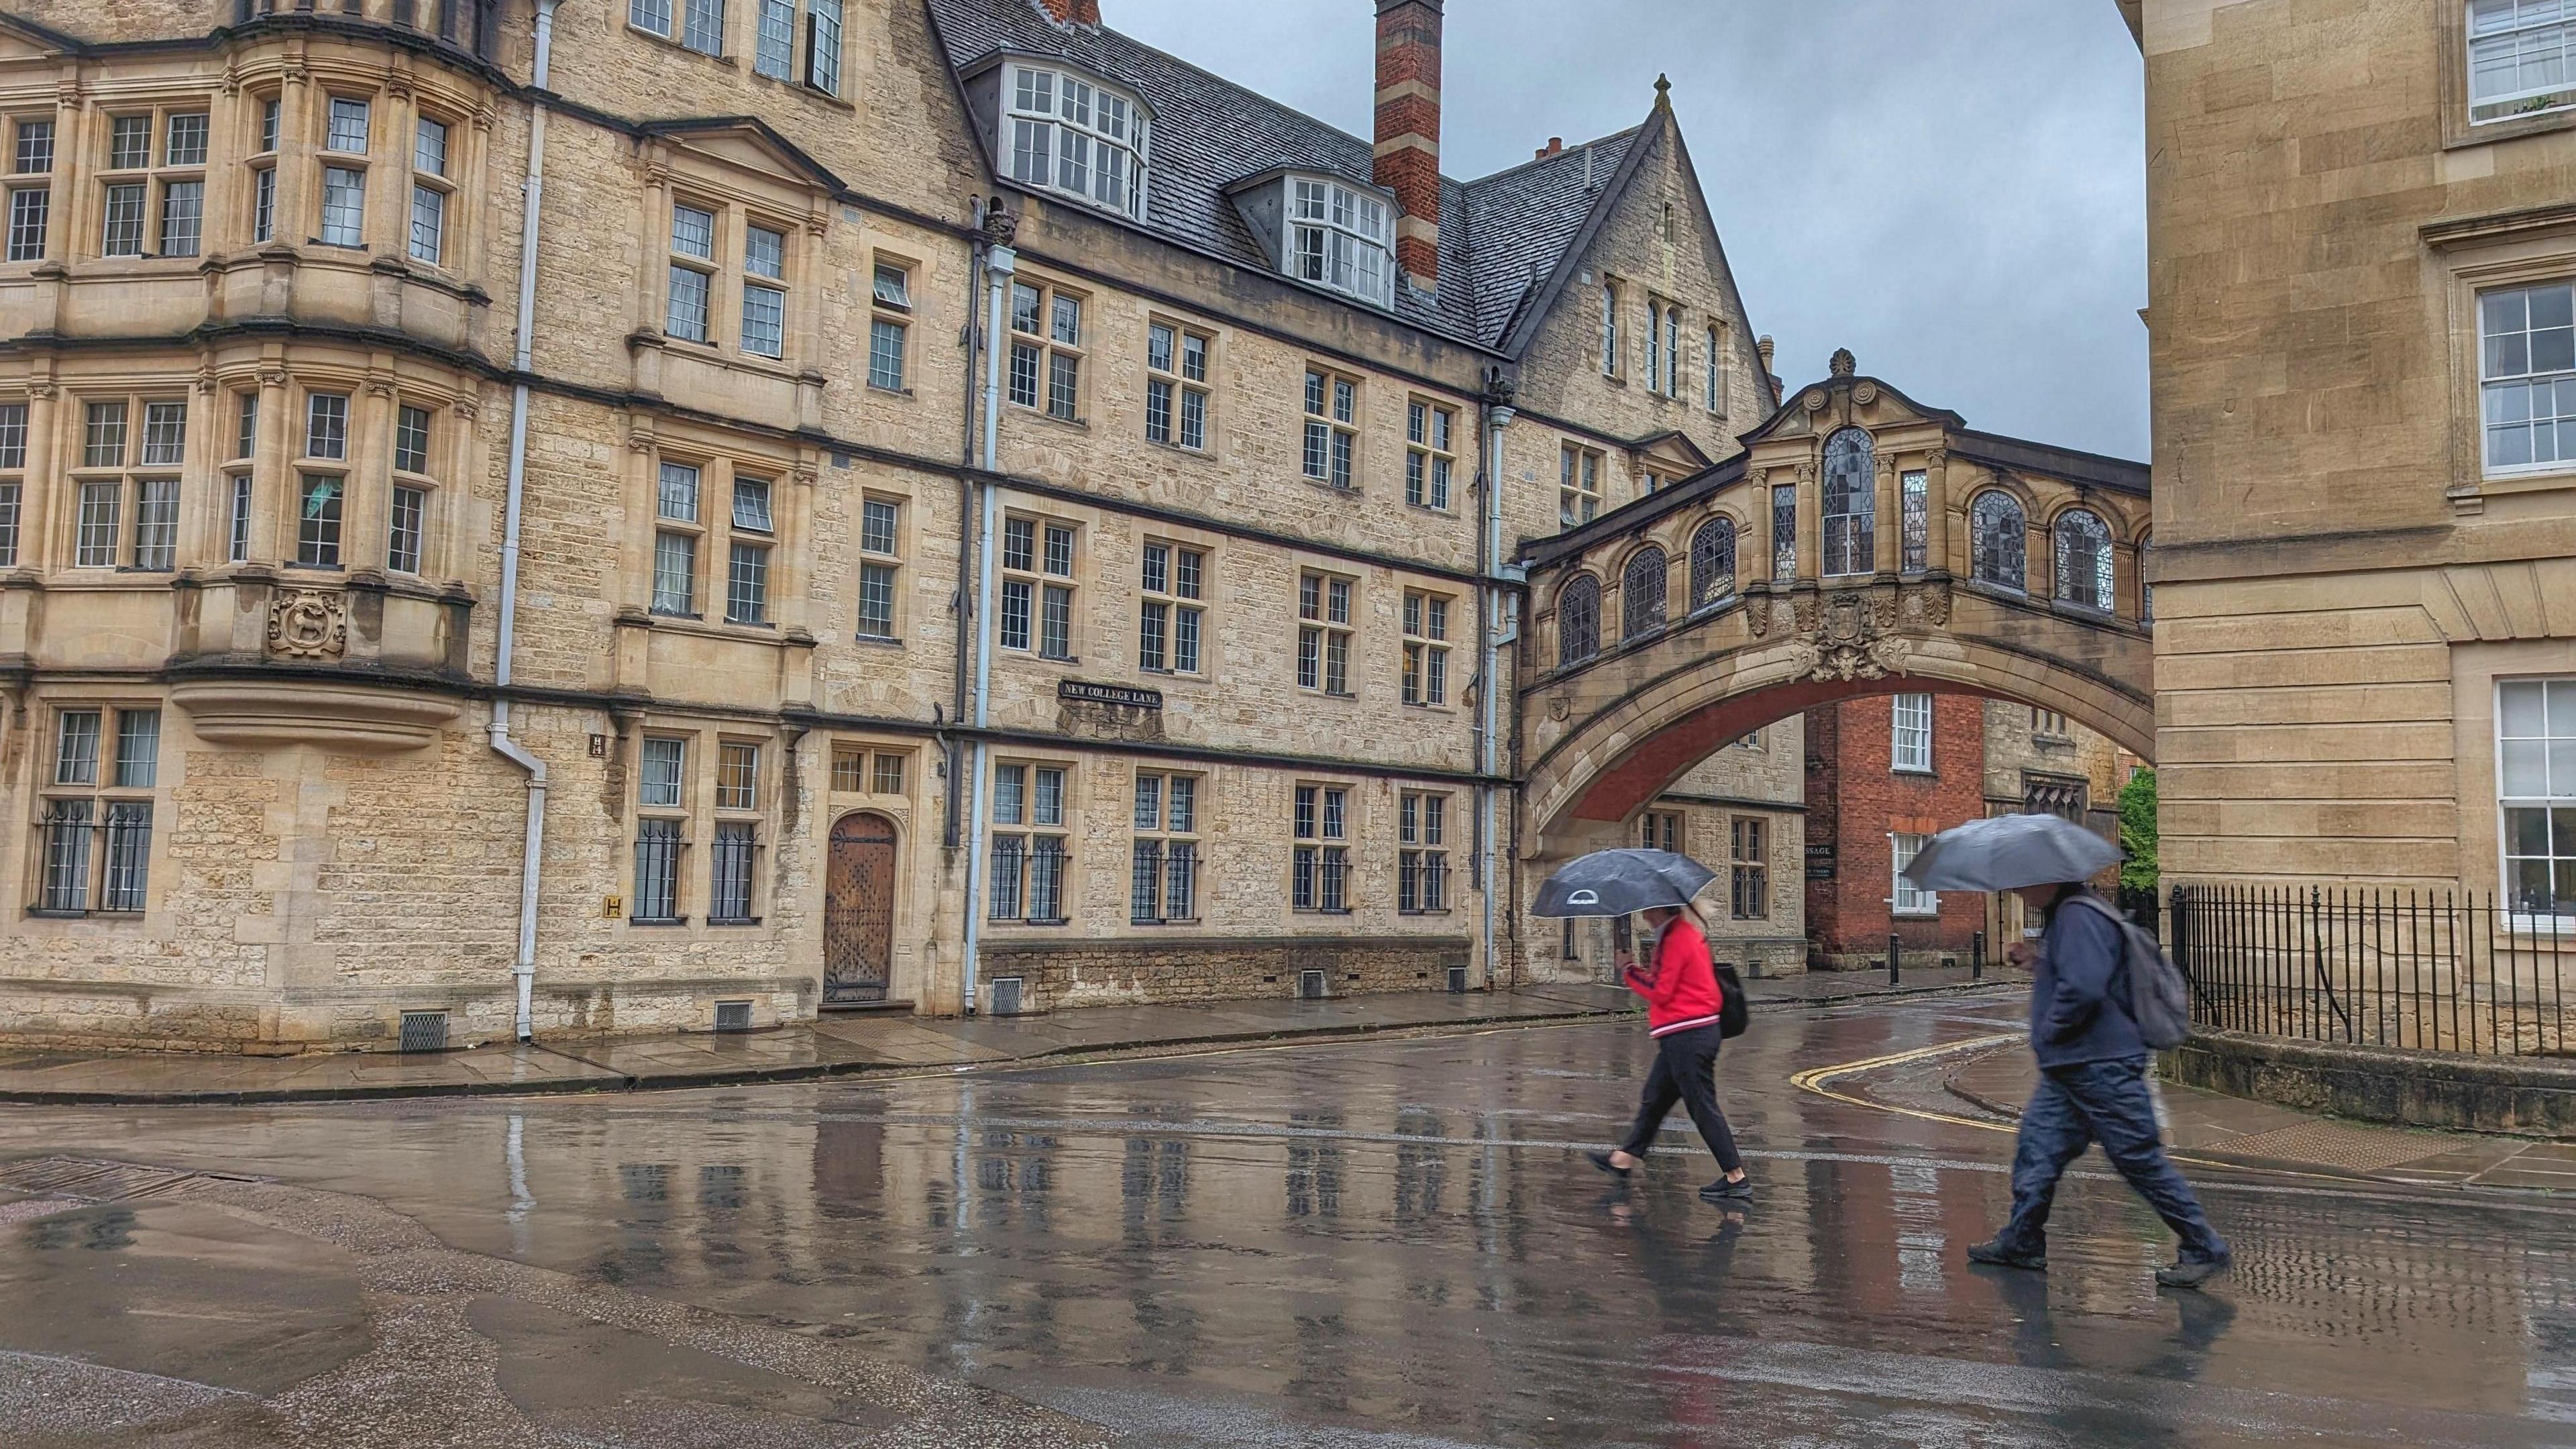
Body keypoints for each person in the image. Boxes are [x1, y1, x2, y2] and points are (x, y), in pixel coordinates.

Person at [1968, 879, 2232, 1289]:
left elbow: (2084, 989)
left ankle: (2204, 1245)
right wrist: (2038, 961)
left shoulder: (2079, 915)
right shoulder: (2071, 916)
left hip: (2101, 1066)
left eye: (2024, 885)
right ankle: (2022, 1240)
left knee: (2138, 1159)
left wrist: (2050, 1030)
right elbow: (2085, 972)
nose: (2019, 892)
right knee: (2037, 1152)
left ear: (2050, 879)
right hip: (2072, 1070)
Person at [1586, 902, 1750, 1201]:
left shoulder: (1677, 939)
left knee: (1701, 1104)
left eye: (1649, 911)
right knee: (1655, 1098)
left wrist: (1629, 969)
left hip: (1689, 1035)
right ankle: (1622, 1160)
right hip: (1684, 1034)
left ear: (1663, 910)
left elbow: (1661, 990)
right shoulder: (1682, 934)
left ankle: (1736, 1178)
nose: (1645, 916)